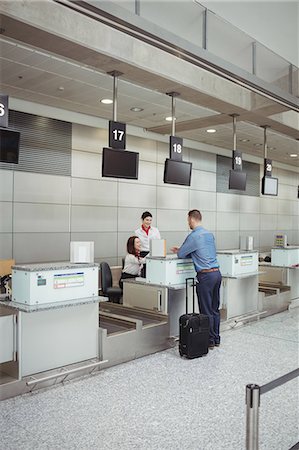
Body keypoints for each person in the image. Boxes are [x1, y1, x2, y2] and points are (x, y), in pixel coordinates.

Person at [171, 209, 222, 349]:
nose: (188, 223)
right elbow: (203, 252)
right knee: (214, 308)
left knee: (206, 310)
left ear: (192, 219)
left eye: (188, 220)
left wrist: (179, 250)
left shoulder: (193, 236)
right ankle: (216, 338)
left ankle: (210, 340)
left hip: (205, 276)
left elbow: (181, 254)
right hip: (217, 274)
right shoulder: (209, 235)